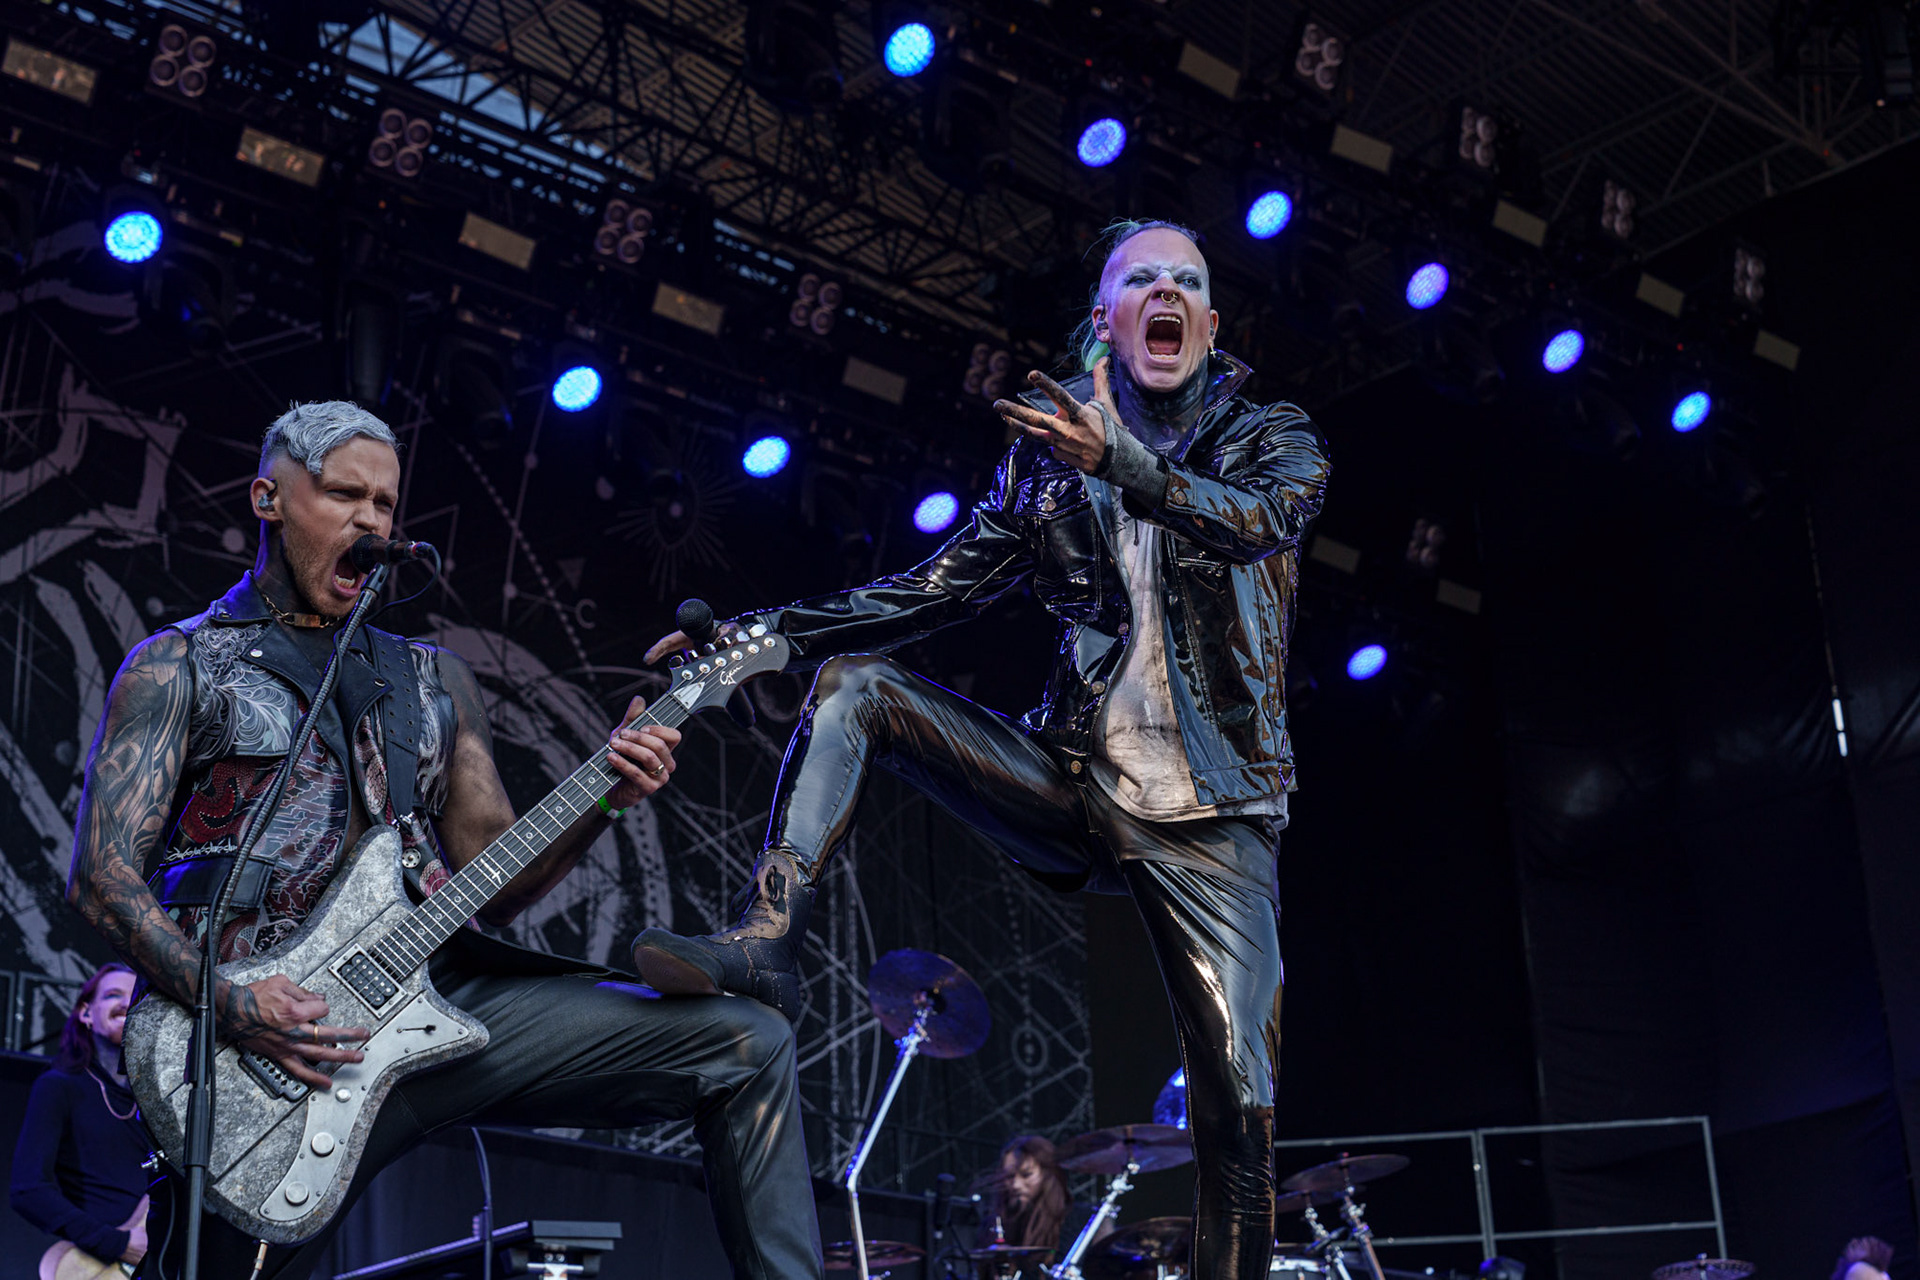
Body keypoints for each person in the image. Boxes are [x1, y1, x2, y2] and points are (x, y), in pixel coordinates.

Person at [634, 219, 1331, 1280]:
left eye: (1186, 282)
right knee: (856, 690)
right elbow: (931, 587)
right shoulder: (1051, 460)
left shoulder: (1269, 432)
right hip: (1074, 778)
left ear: (1210, 322)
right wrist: (759, 635)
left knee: (1239, 1111)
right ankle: (764, 939)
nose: (1167, 294)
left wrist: (1129, 462)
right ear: (1106, 319)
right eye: (1142, 279)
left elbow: (1256, 519)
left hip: (1216, 812)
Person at [64, 402, 822, 1280]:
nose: (372, 522)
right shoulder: (180, 665)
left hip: (443, 1005)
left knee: (746, 1041)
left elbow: (500, 879)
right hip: (264, 1041)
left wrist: (608, 795)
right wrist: (233, 1004)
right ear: (268, 498)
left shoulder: (428, 679)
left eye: (386, 505)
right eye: (345, 495)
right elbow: (101, 879)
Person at [11, 963, 153, 1278]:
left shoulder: (158, 1102)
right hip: (102, 1265)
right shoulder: (60, 1085)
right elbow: (27, 1188)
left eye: (135, 997)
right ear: (86, 1014)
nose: (126, 1004)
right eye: (113, 995)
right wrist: (116, 1243)